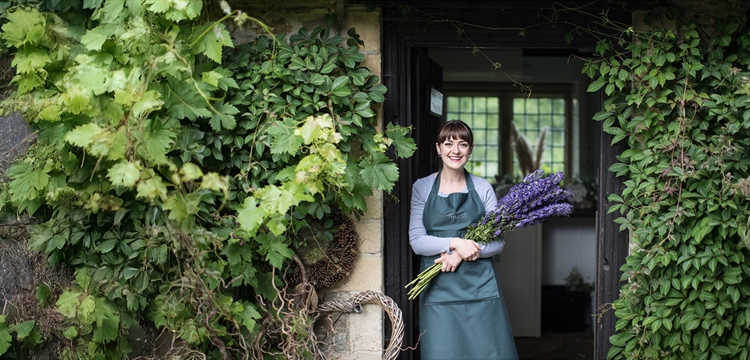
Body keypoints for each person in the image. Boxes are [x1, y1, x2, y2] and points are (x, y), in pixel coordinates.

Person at [408, 119, 518, 360]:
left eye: (462, 144)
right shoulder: (423, 187)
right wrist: (455, 243)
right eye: (448, 143)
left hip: (480, 289)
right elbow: (417, 241)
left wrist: (460, 254)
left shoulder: (482, 187)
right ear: (438, 148)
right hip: (438, 289)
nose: (455, 151)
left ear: (470, 149)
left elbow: (498, 242)